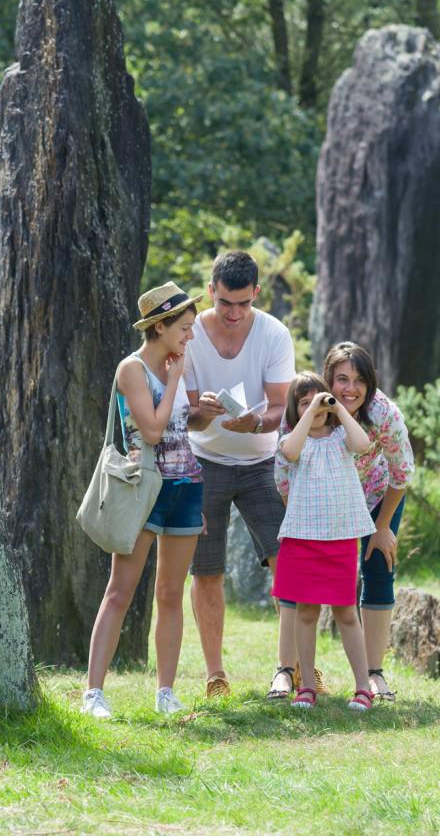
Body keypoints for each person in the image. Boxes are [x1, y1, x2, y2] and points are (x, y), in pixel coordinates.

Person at [83, 282, 205, 719]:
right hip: (144, 487)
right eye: (185, 328)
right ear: (160, 326)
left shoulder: (174, 365)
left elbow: (178, 424)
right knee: (121, 590)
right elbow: (151, 431)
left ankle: (165, 692)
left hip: (186, 484)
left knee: (171, 593)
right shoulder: (131, 369)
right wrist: (175, 382)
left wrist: (203, 406)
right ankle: (94, 693)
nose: (190, 336)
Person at [184, 251, 296, 699]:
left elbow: (280, 408)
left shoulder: (273, 333)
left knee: (285, 560)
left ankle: (291, 666)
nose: (233, 314)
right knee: (206, 570)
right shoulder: (189, 335)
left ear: (256, 294)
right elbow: (186, 417)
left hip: (261, 462)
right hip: (203, 460)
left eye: (242, 305)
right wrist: (202, 413)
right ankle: (216, 674)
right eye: (225, 303)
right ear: (211, 291)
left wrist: (257, 423)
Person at [276, 342, 414, 700]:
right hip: (316, 510)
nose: (350, 389)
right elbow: (284, 466)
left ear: (370, 384)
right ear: (327, 381)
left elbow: (402, 472)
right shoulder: (307, 406)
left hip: (374, 495)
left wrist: (382, 527)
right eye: (341, 380)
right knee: (300, 589)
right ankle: (286, 670)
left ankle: (373, 674)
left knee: (378, 569)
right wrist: (298, 517)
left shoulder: (382, 412)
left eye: (359, 380)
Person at [271, 372, 376, 710]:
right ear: (295, 410)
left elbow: (364, 445)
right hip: (303, 538)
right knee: (305, 612)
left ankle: (363, 686)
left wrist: (336, 409)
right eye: (305, 402)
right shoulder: (293, 440)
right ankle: (306, 688)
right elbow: (289, 452)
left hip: (340, 538)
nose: (315, 406)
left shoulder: (342, 437)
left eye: (320, 399)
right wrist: (308, 412)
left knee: (346, 612)